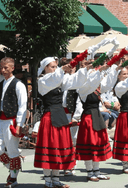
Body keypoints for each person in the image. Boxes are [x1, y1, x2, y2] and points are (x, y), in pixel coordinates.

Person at [34, 57, 89, 188]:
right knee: (49, 150)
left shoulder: (58, 79)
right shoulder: (42, 80)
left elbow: (75, 82)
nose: (54, 69)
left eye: (55, 66)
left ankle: (56, 180)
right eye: (51, 67)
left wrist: (85, 68)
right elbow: (53, 79)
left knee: (58, 149)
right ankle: (48, 181)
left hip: (60, 116)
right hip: (49, 117)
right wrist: (62, 69)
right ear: (45, 68)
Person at [75, 63, 120, 181]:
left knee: (97, 145)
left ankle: (96, 171)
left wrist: (115, 69)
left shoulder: (96, 89)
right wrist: (99, 71)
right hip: (88, 118)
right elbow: (91, 83)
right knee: (90, 146)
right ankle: (90, 172)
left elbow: (109, 82)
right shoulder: (83, 89)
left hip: (96, 116)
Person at [0, 57, 27, 187]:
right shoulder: (0, 84)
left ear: (12, 68)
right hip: (0, 120)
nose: (3, 70)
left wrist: (19, 124)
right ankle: (14, 166)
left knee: (12, 150)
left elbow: (23, 106)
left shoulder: (19, 84)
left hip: (11, 121)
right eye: (1, 67)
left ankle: (13, 177)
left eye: (6, 67)